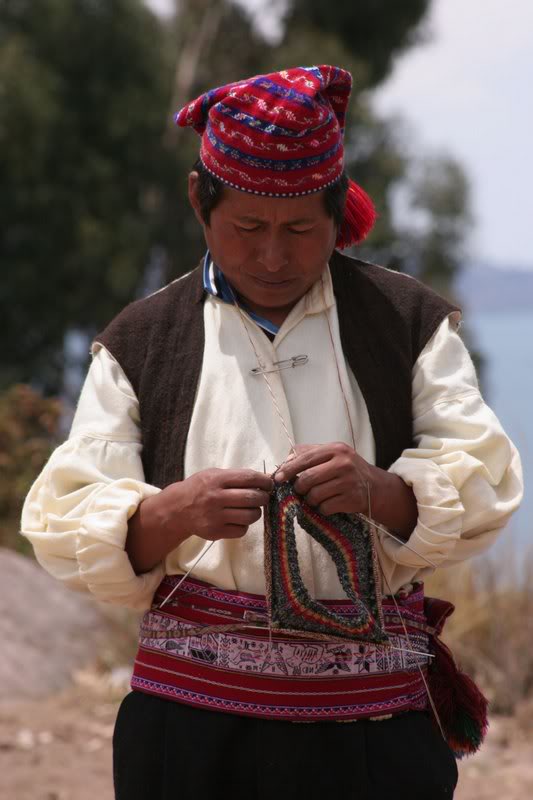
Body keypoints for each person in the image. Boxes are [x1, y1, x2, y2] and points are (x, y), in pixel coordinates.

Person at [20, 65, 523, 800]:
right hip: (189, 740)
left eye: (299, 230)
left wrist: (380, 491)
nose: (272, 257)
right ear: (201, 203)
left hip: (373, 737)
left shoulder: (405, 323)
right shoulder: (142, 342)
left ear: (337, 210)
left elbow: (485, 480)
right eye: (246, 228)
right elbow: (62, 525)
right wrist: (170, 513)